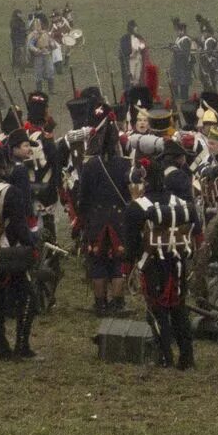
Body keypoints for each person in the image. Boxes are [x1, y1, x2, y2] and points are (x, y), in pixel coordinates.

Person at [125, 152, 201, 368]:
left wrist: (130, 265)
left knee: (156, 310)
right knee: (178, 309)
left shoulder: (136, 207)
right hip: (177, 263)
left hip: (152, 265)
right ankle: (187, 357)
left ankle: (164, 356)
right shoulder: (181, 203)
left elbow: (130, 245)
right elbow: (196, 228)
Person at [0, 135, 39, 360]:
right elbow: (20, 226)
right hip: (9, 252)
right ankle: (21, 347)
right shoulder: (11, 192)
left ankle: (1, 346)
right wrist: (32, 245)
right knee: (29, 298)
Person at [78, 117, 135, 315]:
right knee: (117, 261)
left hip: (96, 218)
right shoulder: (124, 165)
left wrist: (83, 218)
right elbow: (128, 194)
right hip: (118, 219)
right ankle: (118, 303)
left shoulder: (90, 165)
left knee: (97, 261)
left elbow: (83, 196)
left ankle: (100, 303)